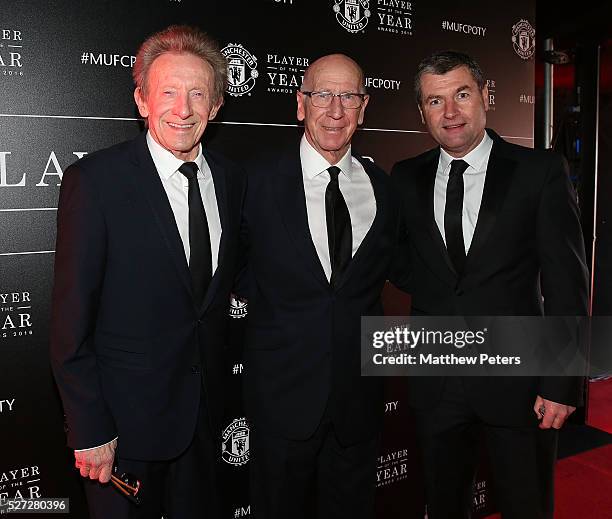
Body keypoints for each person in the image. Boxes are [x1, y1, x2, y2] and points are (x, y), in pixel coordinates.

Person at [49, 25, 245, 519]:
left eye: (198, 94)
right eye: (169, 92)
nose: (183, 109)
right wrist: (91, 428)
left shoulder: (233, 180)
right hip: (122, 432)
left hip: (204, 426)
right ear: (141, 100)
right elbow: (70, 323)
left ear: (216, 106)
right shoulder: (95, 182)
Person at [391, 50, 589, 518]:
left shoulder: (539, 171)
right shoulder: (405, 178)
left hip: (518, 384)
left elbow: (567, 283)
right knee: (442, 504)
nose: (451, 112)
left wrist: (562, 382)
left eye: (461, 94)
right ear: (422, 113)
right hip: (436, 380)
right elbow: (401, 263)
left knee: (527, 505)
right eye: (435, 102)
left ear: (486, 96)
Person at [239, 54, 397, 519]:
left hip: (359, 404)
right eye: (322, 95)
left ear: (363, 108)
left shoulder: (385, 190)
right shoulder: (254, 182)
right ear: (300, 103)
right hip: (282, 402)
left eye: (348, 96)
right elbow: (228, 270)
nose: (335, 110)